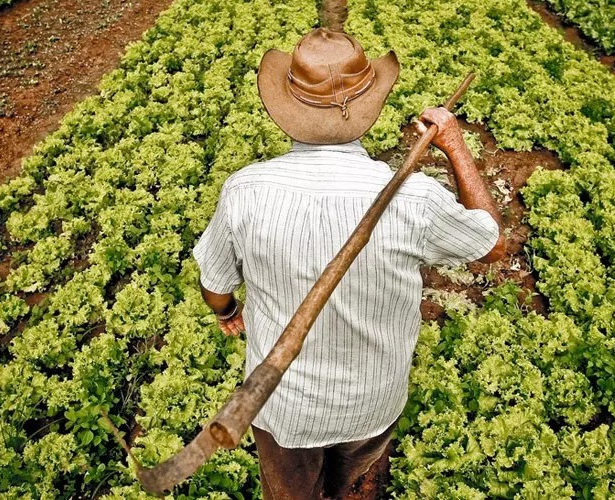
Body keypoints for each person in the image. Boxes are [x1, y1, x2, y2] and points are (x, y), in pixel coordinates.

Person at [192, 27, 505, 500]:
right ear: (369, 107)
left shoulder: (245, 191)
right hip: (371, 403)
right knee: (352, 478)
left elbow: (215, 284)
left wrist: (227, 312)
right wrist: (455, 146)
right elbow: (492, 243)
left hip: (283, 410)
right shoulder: (414, 197)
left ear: (286, 109)